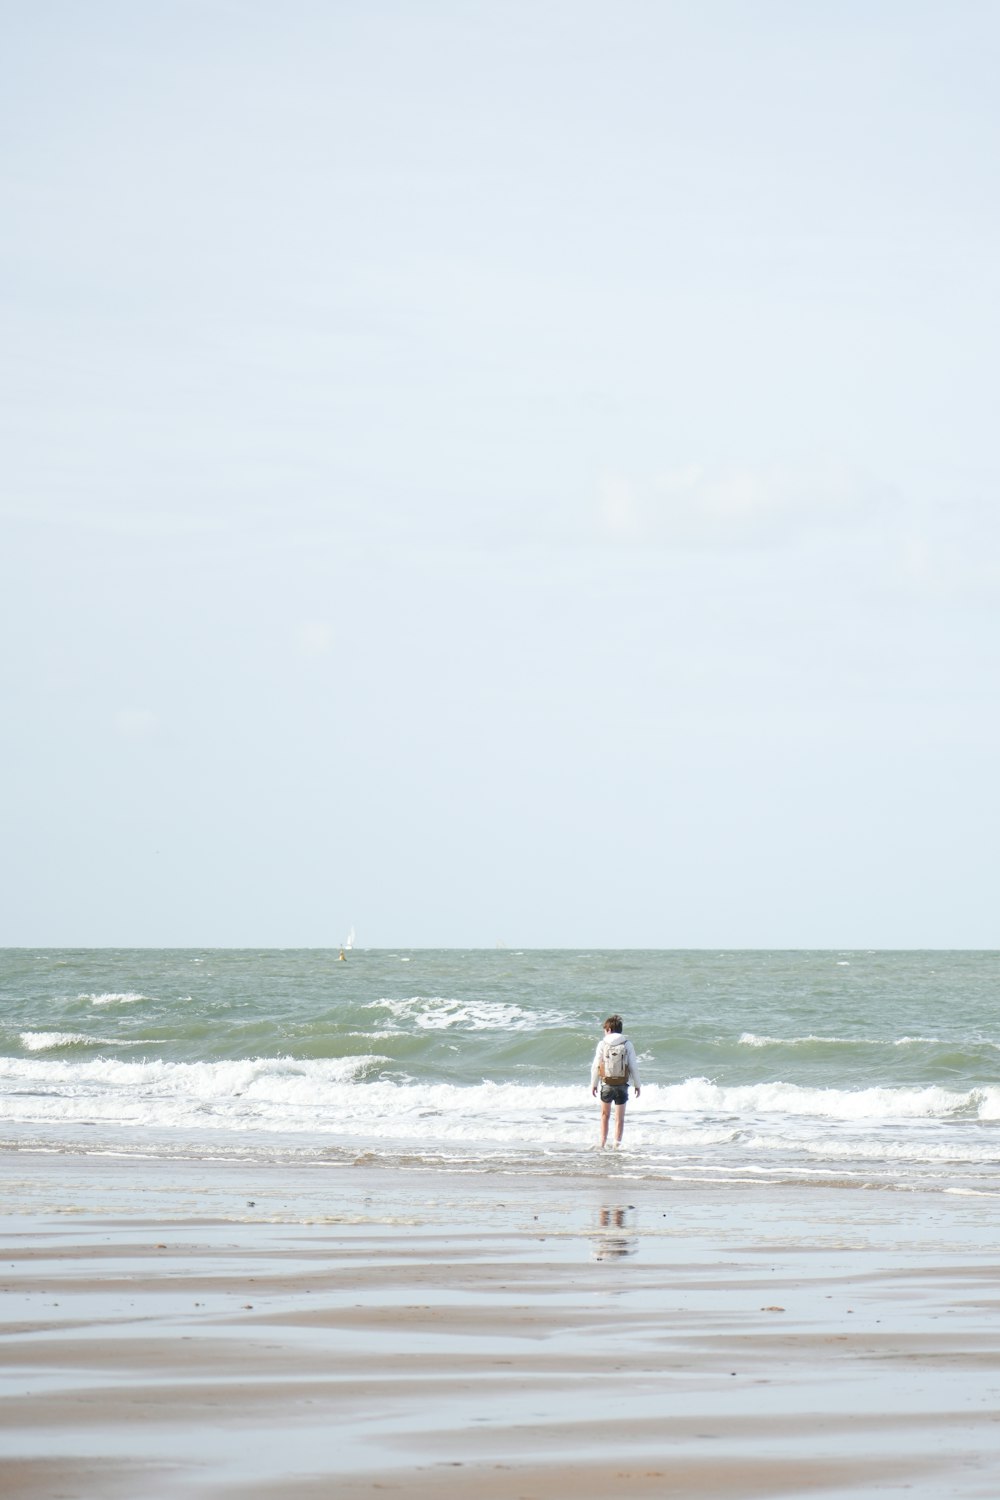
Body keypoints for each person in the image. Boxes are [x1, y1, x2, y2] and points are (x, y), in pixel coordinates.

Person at [590, 1014, 641, 1148]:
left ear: (609, 1030)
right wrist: (637, 1085)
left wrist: (594, 1084)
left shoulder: (602, 1044)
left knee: (604, 1115)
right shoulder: (627, 1043)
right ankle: (616, 1145)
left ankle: (602, 1143)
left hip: (606, 1084)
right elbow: (633, 1066)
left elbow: (596, 1066)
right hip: (622, 1085)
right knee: (619, 1119)